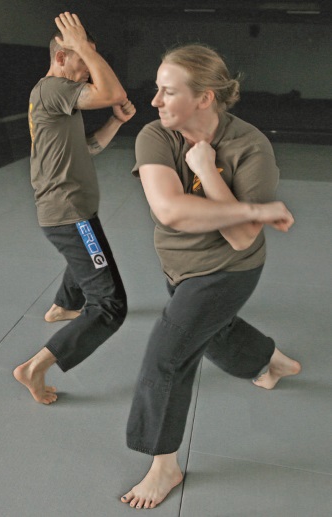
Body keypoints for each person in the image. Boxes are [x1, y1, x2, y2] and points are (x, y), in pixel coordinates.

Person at [120, 43, 301, 510]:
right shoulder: (156, 135)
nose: (155, 101)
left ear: (204, 98)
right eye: (157, 89)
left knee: (166, 357)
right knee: (213, 331)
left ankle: (164, 465)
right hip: (179, 264)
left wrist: (208, 171)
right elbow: (169, 209)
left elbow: (240, 239)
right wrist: (254, 209)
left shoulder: (250, 147)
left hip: (228, 270)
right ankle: (270, 360)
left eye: (168, 91)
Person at [13, 12, 135, 404]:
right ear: (61, 57)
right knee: (110, 306)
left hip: (72, 211)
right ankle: (34, 368)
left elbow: (87, 148)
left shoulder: (59, 99)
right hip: (70, 215)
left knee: (89, 252)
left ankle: (64, 305)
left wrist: (115, 123)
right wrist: (83, 45)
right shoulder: (53, 88)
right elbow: (112, 91)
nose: (87, 69)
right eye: (82, 59)